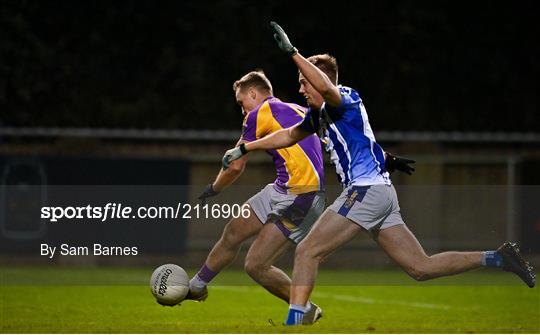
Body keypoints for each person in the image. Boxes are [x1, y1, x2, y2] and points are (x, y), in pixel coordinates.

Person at [222, 22, 536, 326]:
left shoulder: (342, 98)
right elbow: (289, 136)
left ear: (320, 80)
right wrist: (246, 148)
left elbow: (327, 89)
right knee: (420, 267)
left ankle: (294, 322)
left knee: (307, 251)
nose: (301, 87)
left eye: (304, 82)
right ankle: (498, 258)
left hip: (365, 191)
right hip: (380, 193)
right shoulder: (320, 115)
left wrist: (293, 52)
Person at [188, 70, 326, 324]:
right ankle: (196, 286)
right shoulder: (294, 108)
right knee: (234, 230)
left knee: (255, 264)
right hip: (284, 187)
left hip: (301, 195)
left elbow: (235, 165)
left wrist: (214, 188)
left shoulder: (257, 114)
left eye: (242, 103)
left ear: (253, 94)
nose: (242, 111)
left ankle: (303, 308)